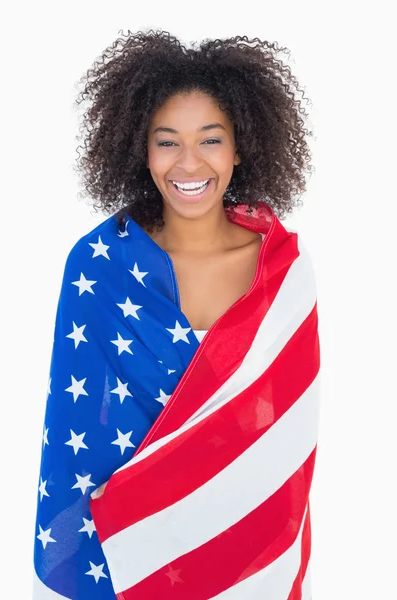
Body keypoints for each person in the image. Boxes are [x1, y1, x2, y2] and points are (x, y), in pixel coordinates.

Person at [32, 29, 320, 599]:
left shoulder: (282, 269)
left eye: (211, 140)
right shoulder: (100, 264)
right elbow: (78, 425)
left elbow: (286, 438)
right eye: (167, 142)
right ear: (141, 151)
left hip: (244, 546)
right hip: (122, 545)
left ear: (241, 147)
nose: (189, 162)